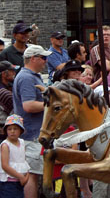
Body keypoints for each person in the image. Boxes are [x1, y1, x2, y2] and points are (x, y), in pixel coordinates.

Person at [13, 45, 50, 198]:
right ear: (33, 58)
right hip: (32, 135)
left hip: (33, 134)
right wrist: (51, 106)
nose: (46, 61)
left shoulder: (32, 75)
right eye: (43, 58)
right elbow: (28, 105)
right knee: (32, 175)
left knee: (34, 175)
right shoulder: (27, 77)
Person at [0, 114, 30, 198]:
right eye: (9, 129)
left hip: (19, 182)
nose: (12, 131)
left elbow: (23, 160)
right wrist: (20, 176)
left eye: (15, 128)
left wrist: (26, 175)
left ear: (20, 130)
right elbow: (5, 166)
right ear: (6, 131)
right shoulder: (6, 145)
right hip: (8, 183)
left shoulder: (22, 142)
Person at [0, 62, 16, 141]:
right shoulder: (4, 93)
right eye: (11, 71)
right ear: (3, 74)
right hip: (3, 131)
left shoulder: (10, 86)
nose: (14, 73)